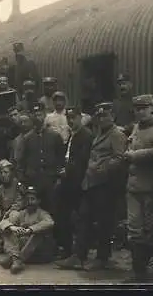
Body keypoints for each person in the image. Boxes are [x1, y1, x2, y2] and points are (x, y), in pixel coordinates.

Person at [56, 102, 127, 271]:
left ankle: (102, 258)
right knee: (84, 218)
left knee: (104, 223)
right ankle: (78, 256)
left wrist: (102, 168)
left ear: (113, 116)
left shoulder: (116, 134)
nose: (102, 119)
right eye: (99, 116)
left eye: (105, 116)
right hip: (91, 184)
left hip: (106, 185)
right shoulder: (98, 133)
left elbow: (120, 158)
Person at [121, 94, 153, 282]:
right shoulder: (135, 128)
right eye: (137, 109)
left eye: (144, 108)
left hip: (150, 187)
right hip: (133, 187)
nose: (140, 112)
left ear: (151, 108)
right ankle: (138, 270)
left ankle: (152, 268)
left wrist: (133, 155)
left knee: (151, 229)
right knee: (134, 228)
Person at [53, 106, 93, 260]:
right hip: (67, 182)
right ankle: (67, 249)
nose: (71, 120)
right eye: (68, 118)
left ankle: (79, 254)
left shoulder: (86, 135)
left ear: (80, 117)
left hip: (78, 182)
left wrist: (67, 170)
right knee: (63, 216)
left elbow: (82, 160)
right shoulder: (71, 134)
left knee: (80, 219)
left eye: (73, 117)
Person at [17, 103, 66, 213]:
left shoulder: (55, 136)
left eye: (40, 114)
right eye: (35, 115)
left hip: (51, 180)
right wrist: (21, 182)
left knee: (54, 210)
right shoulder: (27, 138)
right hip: (34, 181)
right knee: (36, 212)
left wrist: (59, 178)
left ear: (44, 115)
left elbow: (61, 159)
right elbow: (21, 162)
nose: (37, 117)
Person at [0, 185, 55, 274]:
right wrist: (13, 228)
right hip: (26, 252)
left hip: (41, 253)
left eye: (32, 199)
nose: (29, 202)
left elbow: (50, 222)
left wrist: (30, 230)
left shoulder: (42, 213)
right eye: (27, 199)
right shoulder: (23, 213)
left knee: (38, 233)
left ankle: (16, 259)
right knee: (7, 229)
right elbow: (2, 223)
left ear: (39, 201)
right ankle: (14, 258)